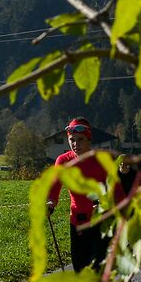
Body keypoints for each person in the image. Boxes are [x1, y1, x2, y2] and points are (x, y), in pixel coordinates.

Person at [45, 117, 110, 273]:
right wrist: (50, 203)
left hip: (100, 223)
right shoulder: (63, 161)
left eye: (80, 140)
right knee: (80, 271)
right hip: (77, 223)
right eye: (72, 140)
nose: (75, 144)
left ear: (88, 140)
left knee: (97, 271)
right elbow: (54, 187)